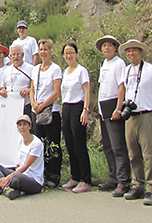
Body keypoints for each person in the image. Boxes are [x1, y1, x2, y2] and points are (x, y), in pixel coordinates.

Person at [119, 39, 152, 206]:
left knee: (149, 154)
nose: (131, 54)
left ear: (141, 52)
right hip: (131, 116)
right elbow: (123, 89)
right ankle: (137, 185)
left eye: (134, 51)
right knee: (133, 154)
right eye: (128, 51)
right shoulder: (126, 70)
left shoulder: (150, 70)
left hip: (146, 115)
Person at [95, 35, 131, 197]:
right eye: (104, 46)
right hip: (103, 106)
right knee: (108, 146)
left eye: (110, 45)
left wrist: (118, 108)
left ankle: (124, 182)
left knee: (118, 146)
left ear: (115, 48)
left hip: (114, 103)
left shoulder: (119, 63)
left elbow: (121, 86)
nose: (107, 48)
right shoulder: (104, 64)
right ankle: (113, 178)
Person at [29, 39, 62, 187]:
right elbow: (32, 89)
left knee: (52, 143)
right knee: (39, 143)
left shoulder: (55, 69)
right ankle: (39, 173)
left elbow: (56, 92)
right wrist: (34, 103)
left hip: (51, 111)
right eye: (41, 50)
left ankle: (53, 176)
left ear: (50, 51)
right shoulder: (35, 69)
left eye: (45, 50)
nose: (43, 52)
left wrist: (43, 105)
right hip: (36, 111)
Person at [0, 115, 44, 200]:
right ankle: (6, 188)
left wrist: (7, 178)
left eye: (25, 124)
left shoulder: (37, 144)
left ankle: (0, 185)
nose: (22, 127)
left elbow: (25, 166)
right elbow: (21, 164)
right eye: (20, 125)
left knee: (16, 178)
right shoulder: (20, 140)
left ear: (30, 127)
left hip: (33, 180)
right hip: (20, 173)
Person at [60, 43, 92, 193]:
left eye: (71, 52)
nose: (69, 56)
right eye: (66, 53)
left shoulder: (81, 71)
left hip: (78, 107)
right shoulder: (65, 72)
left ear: (76, 54)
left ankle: (85, 179)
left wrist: (85, 110)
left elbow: (87, 91)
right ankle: (75, 176)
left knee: (79, 145)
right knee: (70, 145)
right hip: (66, 108)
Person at [0, 44, 34, 118]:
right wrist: (3, 90)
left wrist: (29, 90)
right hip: (10, 104)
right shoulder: (6, 70)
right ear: (10, 56)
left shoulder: (31, 69)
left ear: (22, 55)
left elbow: (36, 87)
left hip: (25, 104)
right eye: (13, 55)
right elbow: (3, 87)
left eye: (18, 54)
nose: (16, 57)